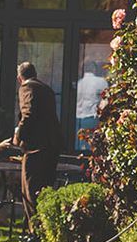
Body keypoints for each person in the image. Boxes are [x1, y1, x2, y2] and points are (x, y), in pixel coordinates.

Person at [12, 61, 63, 219]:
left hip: (36, 147)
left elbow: (28, 114)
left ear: (19, 78)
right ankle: (46, 224)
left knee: (30, 189)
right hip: (52, 145)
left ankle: (35, 227)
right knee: (45, 189)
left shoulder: (27, 87)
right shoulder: (46, 89)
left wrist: (18, 135)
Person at [74, 60, 107, 147]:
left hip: (78, 119)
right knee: (92, 146)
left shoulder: (79, 84)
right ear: (94, 69)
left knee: (79, 145)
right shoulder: (100, 82)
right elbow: (106, 100)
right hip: (92, 118)